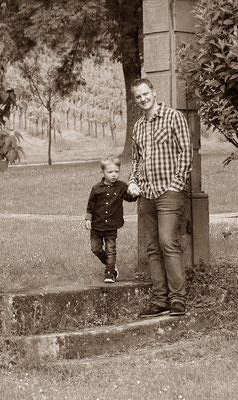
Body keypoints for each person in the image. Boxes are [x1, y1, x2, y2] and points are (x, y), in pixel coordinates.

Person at [127, 78, 193, 317]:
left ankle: (178, 299)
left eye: (145, 94)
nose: (143, 99)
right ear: (135, 100)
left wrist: (176, 185)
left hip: (168, 191)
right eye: (138, 96)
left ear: (154, 92)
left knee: (167, 241)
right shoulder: (138, 127)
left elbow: (186, 152)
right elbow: (136, 160)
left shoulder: (173, 117)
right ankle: (160, 300)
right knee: (153, 247)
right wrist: (133, 182)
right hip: (146, 194)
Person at [85, 156, 138, 283]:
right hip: (97, 225)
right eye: (110, 172)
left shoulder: (121, 187)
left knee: (111, 249)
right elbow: (90, 205)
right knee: (96, 249)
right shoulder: (97, 188)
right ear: (102, 172)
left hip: (112, 226)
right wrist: (88, 218)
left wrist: (133, 193)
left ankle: (109, 273)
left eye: (116, 172)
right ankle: (111, 265)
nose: (114, 175)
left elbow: (128, 197)